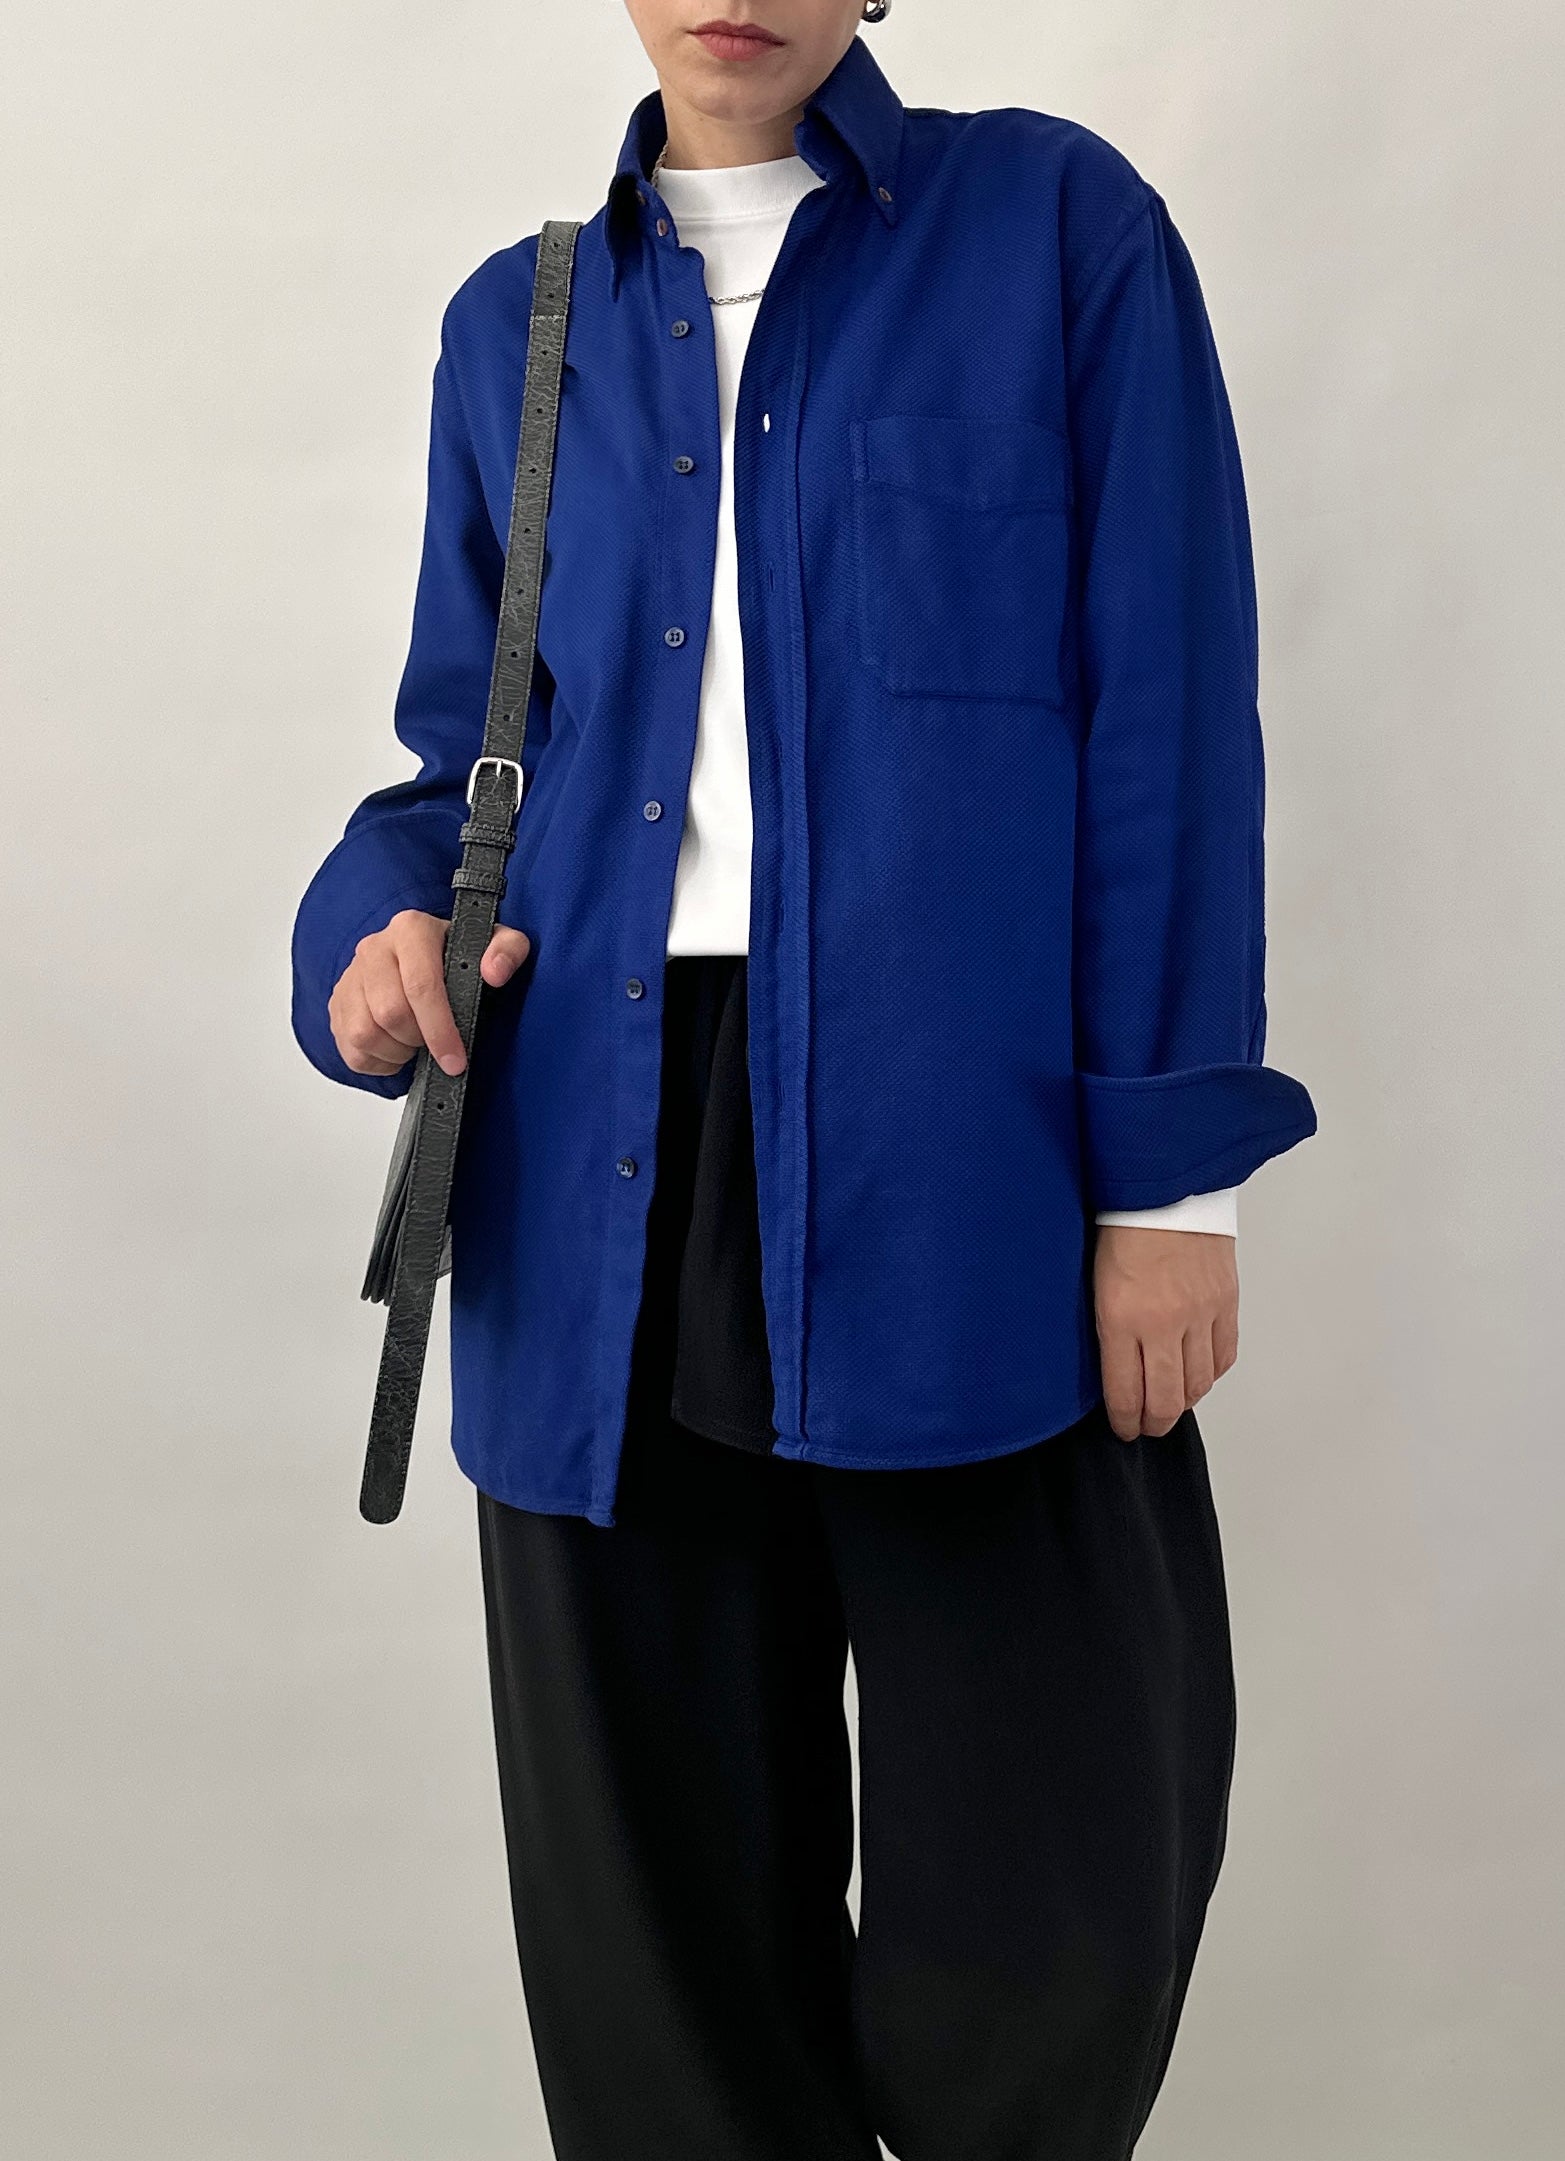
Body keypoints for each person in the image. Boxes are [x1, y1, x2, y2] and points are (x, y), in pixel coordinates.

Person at [290, 4, 1318, 2155]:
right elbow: (464, 763)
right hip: (593, 1161)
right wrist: (366, 949)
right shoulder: (518, 328)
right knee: (658, 1945)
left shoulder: (1058, 233)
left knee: (1064, 1889)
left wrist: (1169, 1183)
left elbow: (1166, 718)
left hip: (972, 1161)